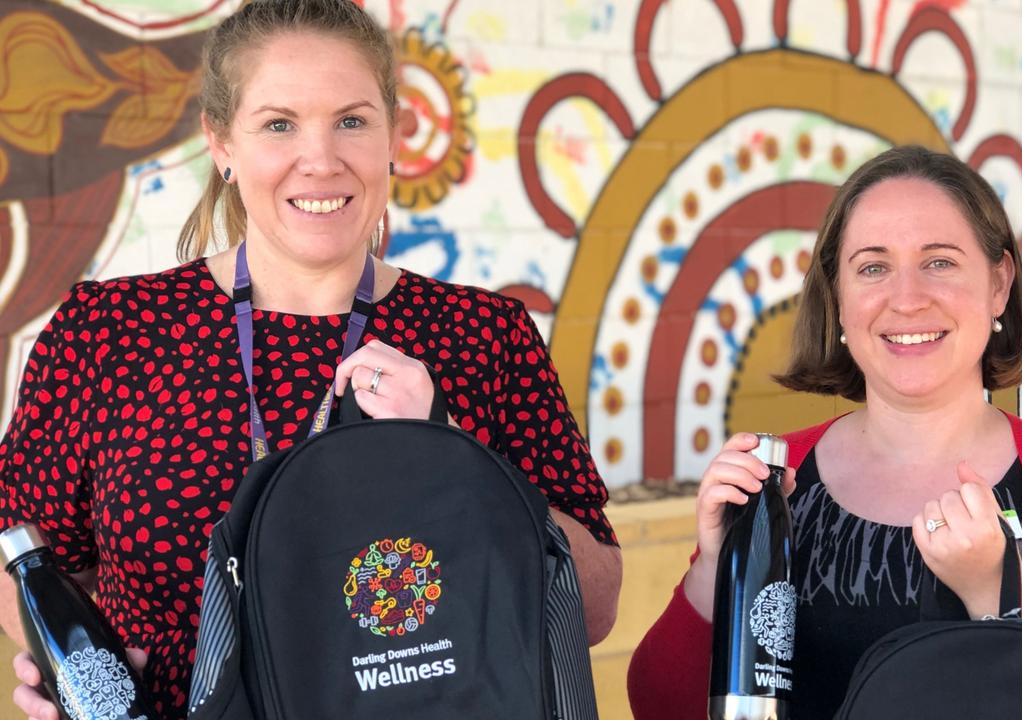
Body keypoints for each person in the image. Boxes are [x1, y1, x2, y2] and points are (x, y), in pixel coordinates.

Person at [0, 1, 621, 718]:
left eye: (352, 120)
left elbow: (595, 604)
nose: (321, 160)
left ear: (392, 133)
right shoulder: (108, 332)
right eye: (279, 123)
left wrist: (456, 452)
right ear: (221, 142)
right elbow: (28, 554)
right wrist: (76, 669)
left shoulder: (483, 336)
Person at [626, 145, 1022, 720]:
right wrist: (718, 565)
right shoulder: (776, 483)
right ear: (838, 297)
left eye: (939, 262)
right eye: (873, 267)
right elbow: (660, 706)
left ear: (999, 285)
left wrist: (1000, 592)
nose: (907, 299)